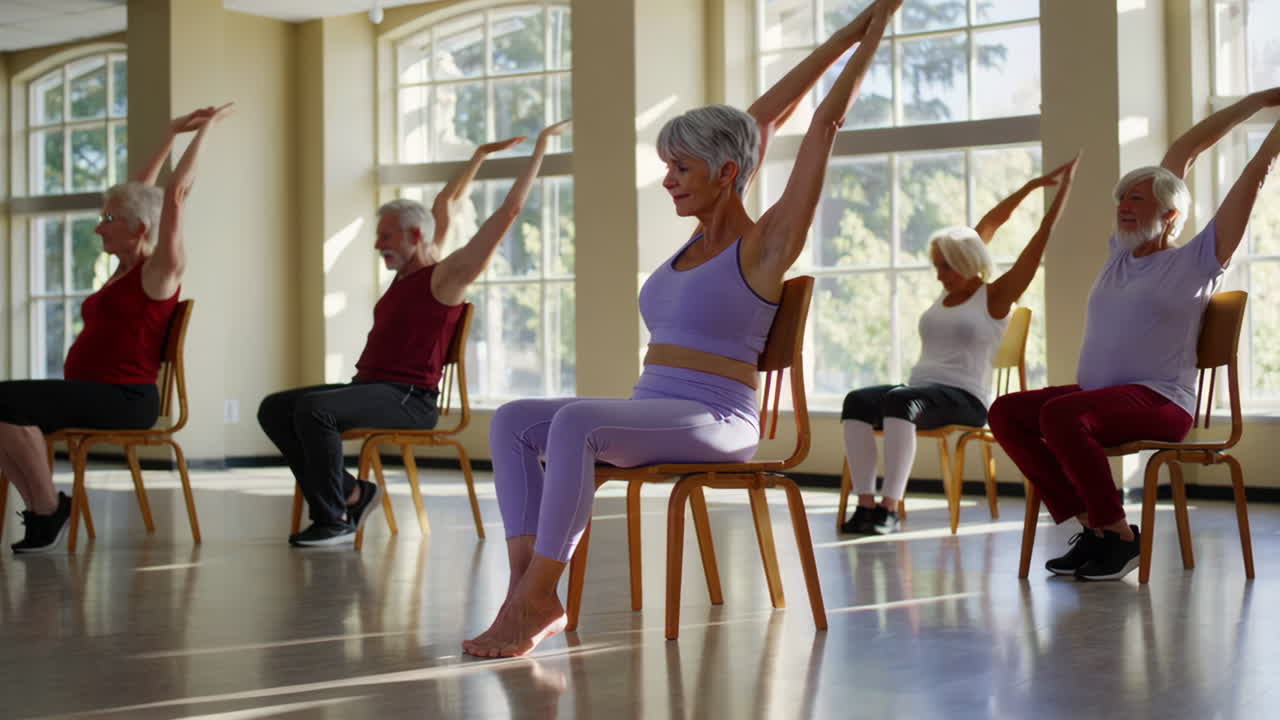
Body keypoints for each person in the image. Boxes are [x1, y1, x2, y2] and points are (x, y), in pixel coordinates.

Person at [464, 0, 904, 658]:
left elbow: (823, 123)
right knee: (513, 420)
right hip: (657, 408)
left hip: (721, 419)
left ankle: (534, 597)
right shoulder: (695, 240)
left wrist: (877, 26)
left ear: (726, 175)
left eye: (681, 168)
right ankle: (527, 590)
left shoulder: (765, 246)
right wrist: (845, 29)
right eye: (668, 166)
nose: (668, 181)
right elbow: (758, 121)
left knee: (575, 423)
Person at [988, 87, 1280, 581]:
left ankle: (1120, 537)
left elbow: (1245, 175)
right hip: (1099, 400)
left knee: (1062, 415)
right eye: (1122, 197)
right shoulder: (1121, 254)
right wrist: (1254, 101)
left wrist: (1271, 130)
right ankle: (1096, 527)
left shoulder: (1199, 260)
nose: (1123, 205)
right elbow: (1182, 151)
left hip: (1162, 401)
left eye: (1137, 199)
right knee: (1006, 412)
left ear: (1170, 215)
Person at [257, 121, 568, 548]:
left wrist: (541, 148)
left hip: (410, 399)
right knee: (275, 409)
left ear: (416, 235)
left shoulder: (445, 277)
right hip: (372, 388)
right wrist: (478, 156)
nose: (377, 245)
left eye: (385, 236)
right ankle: (352, 492)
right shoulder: (407, 271)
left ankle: (335, 518)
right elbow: (446, 201)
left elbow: (509, 211)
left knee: (314, 410)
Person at [0, 103, 232, 553]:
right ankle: (44, 509)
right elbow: (138, 193)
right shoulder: (122, 269)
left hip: (125, 399)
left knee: (7, 399)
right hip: (92, 392)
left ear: (139, 229)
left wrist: (205, 129)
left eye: (108, 220)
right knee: (5, 409)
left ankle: (48, 510)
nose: (98, 227)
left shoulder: (158, 273)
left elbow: (173, 194)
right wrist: (169, 133)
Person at [840, 156, 1080, 535]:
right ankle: (865, 506)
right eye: (937, 266)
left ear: (967, 263)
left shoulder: (994, 297)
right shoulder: (945, 294)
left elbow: (1036, 245)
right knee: (857, 401)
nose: (940, 275)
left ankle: (889, 508)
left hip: (965, 399)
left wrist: (1061, 192)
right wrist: (1032, 186)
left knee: (900, 402)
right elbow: (992, 221)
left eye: (946, 267)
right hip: (921, 391)